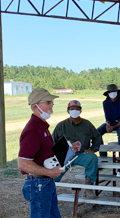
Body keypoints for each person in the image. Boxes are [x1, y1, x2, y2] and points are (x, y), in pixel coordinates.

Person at [18, 88, 77, 217]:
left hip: (45, 182)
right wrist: (49, 172)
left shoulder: (41, 126)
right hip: (38, 184)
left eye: (51, 101)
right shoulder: (33, 130)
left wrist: (70, 148)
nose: (52, 104)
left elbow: (46, 153)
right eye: (48, 102)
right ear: (36, 106)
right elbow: (23, 164)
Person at [52, 100, 102, 199]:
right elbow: (52, 141)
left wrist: (93, 149)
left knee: (92, 158)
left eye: (77, 109)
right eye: (72, 109)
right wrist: (56, 155)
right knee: (54, 171)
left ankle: (88, 188)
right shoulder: (61, 125)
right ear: (68, 111)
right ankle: (50, 189)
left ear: (80, 110)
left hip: (81, 154)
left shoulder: (87, 124)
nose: (74, 111)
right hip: (65, 155)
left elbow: (97, 136)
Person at [97, 84, 120, 157]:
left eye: (114, 91)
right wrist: (108, 124)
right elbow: (107, 117)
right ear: (108, 94)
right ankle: (103, 155)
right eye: (110, 92)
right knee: (97, 132)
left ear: (117, 92)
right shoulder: (105, 102)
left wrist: (113, 126)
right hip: (112, 123)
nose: (112, 93)